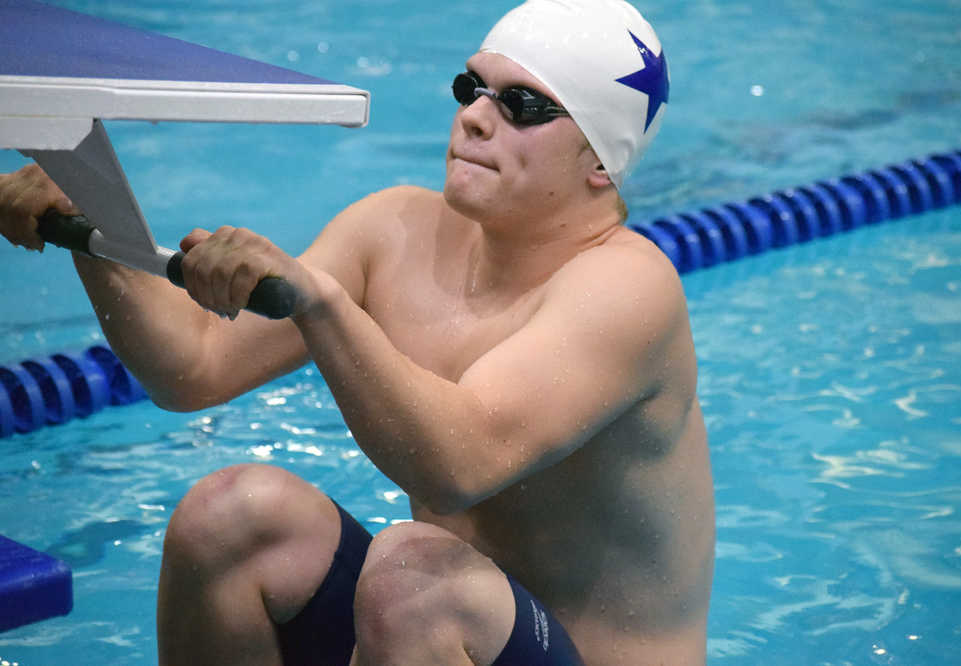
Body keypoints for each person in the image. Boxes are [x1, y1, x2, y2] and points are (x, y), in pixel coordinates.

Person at [0, 0, 715, 663]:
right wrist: (86, 222)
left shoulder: (625, 289)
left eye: (523, 106)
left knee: (414, 579)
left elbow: (456, 464)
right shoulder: (397, 229)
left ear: (599, 159)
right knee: (227, 519)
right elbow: (194, 367)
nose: (473, 119)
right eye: (472, 89)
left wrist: (324, 304)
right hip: (435, 631)